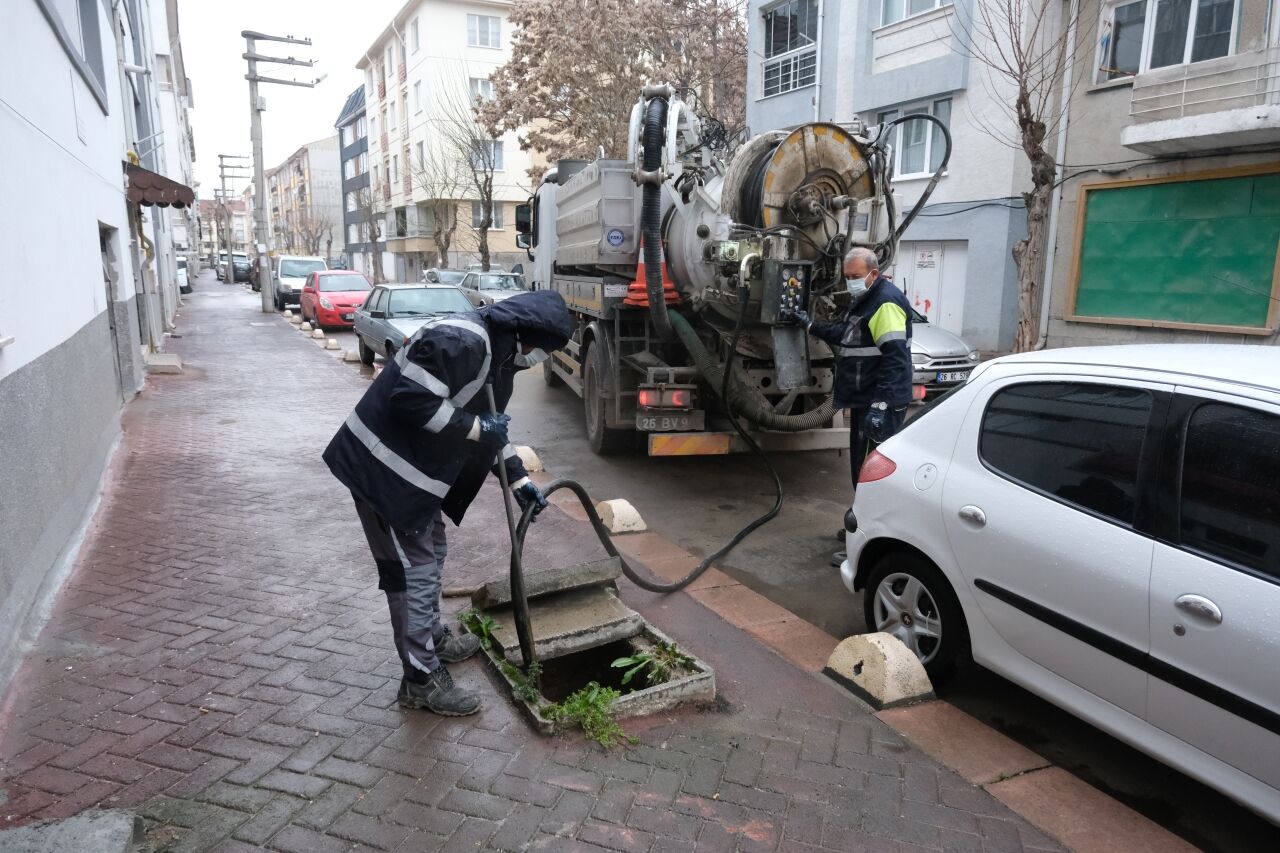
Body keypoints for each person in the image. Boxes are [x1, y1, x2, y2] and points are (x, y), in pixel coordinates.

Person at [323, 290, 572, 716]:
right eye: (539, 350)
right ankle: (420, 678)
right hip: (382, 473)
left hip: (411, 474)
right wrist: (478, 428)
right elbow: (410, 400)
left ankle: (430, 636)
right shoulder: (462, 342)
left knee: (432, 550)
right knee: (412, 572)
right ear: (522, 335)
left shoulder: (496, 354)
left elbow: (490, 427)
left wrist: (518, 478)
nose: (537, 359)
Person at [784, 247, 913, 563]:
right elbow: (845, 333)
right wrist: (810, 325)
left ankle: (865, 547)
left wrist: (881, 406)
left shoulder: (885, 303)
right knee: (861, 473)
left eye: (855, 277)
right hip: (864, 401)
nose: (851, 282)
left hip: (876, 403)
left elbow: (896, 360)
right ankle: (862, 528)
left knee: (872, 478)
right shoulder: (866, 300)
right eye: (848, 278)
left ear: (873, 272)